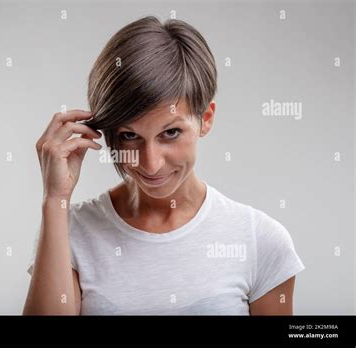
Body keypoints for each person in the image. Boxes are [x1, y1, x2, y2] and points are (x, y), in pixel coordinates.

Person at [23, 15, 305, 315]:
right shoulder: (71, 232)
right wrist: (55, 200)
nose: (151, 163)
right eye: (130, 136)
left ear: (205, 119)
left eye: (170, 133)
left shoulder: (260, 240)